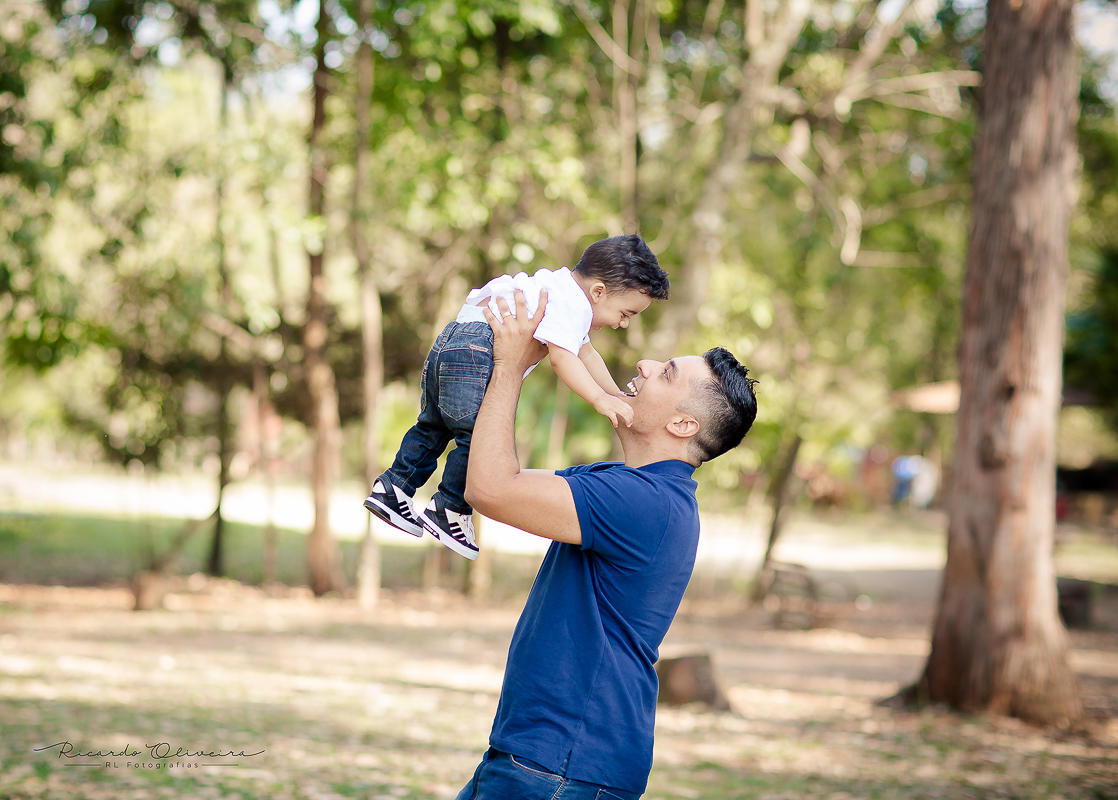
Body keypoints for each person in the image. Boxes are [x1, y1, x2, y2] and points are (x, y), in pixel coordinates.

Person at [455, 289, 759, 800]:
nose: (642, 363)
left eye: (665, 372)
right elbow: (497, 476)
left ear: (682, 425)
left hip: (563, 764)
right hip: (547, 757)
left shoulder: (640, 502)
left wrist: (509, 366)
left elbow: (488, 489)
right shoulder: (629, 486)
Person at [364, 234, 670, 561]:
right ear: (598, 292)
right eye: (626, 313)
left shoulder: (559, 289)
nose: (623, 324)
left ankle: (393, 488)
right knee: (479, 436)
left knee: (433, 427)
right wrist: (598, 399)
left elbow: (588, 355)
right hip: (480, 349)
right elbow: (563, 359)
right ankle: (449, 507)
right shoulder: (572, 304)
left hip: (452, 339)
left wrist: (615, 394)